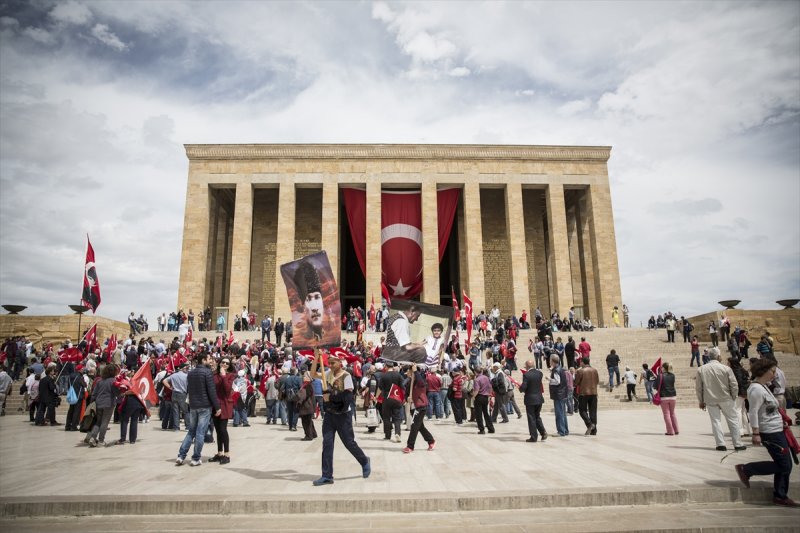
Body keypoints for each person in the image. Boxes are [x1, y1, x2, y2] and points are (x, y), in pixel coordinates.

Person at [735, 358, 797, 507]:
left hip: (777, 429)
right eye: (773, 371)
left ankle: (780, 495)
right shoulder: (756, 389)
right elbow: (753, 411)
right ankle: (746, 469)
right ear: (764, 371)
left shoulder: (763, 387)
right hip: (770, 432)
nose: (775, 374)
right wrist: (756, 433)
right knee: (784, 465)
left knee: (786, 464)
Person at [311, 352, 370, 486]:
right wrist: (316, 358)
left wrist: (330, 397)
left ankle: (364, 461)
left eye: (333, 363)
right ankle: (327, 475)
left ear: (340, 362)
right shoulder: (327, 374)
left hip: (343, 415)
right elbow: (313, 374)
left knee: (349, 443)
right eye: (329, 363)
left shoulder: (346, 376)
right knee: (327, 444)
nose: (330, 365)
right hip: (329, 415)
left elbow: (347, 397)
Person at [695, 347, 745, 452]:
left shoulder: (701, 369)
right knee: (733, 420)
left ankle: (720, 444)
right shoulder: (726, 369)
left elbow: (699, 387)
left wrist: (701, 401)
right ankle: (738, 444)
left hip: (710, 399)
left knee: (715, 421)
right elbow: (734, 384)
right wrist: (734, 396)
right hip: (726, 398)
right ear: (718, 356)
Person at [175, 352, 221, 466]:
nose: (211, 361)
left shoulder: (190, 373)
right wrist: (217, 407)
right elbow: (211, 391)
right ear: (203, 360)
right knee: (200, 433)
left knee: (191, 431)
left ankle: (181, 456)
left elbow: (188, 389)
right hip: (204, 406)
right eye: (209, 359)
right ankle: (195, 458)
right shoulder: (207, 372)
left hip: (193, 405)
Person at [403, 365, 436, 453]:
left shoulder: (420, 380)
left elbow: (421, 383)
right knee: (420, 426)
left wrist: (415, 371)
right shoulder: (409, 382)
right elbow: (406, 394)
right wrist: (407, 398)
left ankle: (410, 446)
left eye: (409, 371)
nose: (407, 372)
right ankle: (431, 441)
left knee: (414, 426)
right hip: (412, 407)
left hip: (420, 406)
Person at [86, 364, 120, 446]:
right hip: (108, 404)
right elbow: (116, 393)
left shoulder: (99, 381)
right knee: (105, 422)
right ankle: (101, 441)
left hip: (99, 403)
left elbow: (94, 393)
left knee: (98, 422)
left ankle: (92, 438)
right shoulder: (113, 381)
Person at [210, 357, 234, 464]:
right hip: (215, 405)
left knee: (223, 429)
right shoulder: (214, 375)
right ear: (219, 363)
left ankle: (227, 454)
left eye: (227, 363)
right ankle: (220, 453)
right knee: (218, 430)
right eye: (223, 362)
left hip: (224, 405)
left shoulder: (230, 375)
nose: (224, 364)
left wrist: (224, 375)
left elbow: (227, 389)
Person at [294, 261, 325, 342]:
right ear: (303, 307)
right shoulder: (301, 340)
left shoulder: (332, 337)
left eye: (317, 297)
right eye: (309, 299)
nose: (314, 308)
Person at [519, 359, 547, 442]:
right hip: (539, 398)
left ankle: (533, 437)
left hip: (530, 399)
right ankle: (543, 432)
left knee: (531, 417)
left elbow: (524, 387)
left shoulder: (526, 375)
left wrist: (520, 388)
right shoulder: (540, 373)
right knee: (537, 416)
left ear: (527, 366)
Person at [379, 363, 405, 442]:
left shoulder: (383, 376)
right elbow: (402, 387)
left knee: (386, 417)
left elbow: (380, 388)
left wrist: (376, 397)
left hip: (387, 398)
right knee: (397, 417)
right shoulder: (398, 375)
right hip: (396, 397)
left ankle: (387, 435)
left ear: (386, 367)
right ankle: (397, 433)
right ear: (393, 367)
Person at [575, 357, 599, 436]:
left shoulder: (580, 371)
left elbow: (576, 382)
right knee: (593, 411)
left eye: (580, 362)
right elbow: (597, 381)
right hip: (594, 392)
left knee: (582, 410)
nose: (580, 363)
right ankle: (594, 430)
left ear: (582, 362)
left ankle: (589, 424)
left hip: (584, 393)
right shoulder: (595, 370)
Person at [163, 362, 189, 431]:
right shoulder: (186, 376)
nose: (186, 369)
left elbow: (164, 381)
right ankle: (188, 426)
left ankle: (176, 427)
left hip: (174, 393)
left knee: (176, 411)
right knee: (185, 411)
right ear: (183, 368)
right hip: (182, 394)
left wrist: (170, 387)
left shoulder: (173, 375)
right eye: (186, 368)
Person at [548, 354, 569, 437]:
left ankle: (561, 431)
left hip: (558, 394)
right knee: (563, 413)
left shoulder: (556, 370)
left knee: (559, 413)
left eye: (550, 360)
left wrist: (549, 379)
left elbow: (557, 381)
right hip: (563, 393)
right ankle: (565, 430)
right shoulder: (560, 368)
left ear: (553, 361)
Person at [655, 362, 679, 435]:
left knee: (666, 414)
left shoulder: (660, 376)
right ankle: (676, 430)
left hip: (664, 397)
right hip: (673, 396)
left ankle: (670, 431)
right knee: (672, 413)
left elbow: (656, 386)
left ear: (663, 368)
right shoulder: (673, 375)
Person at [729, 357, 750, 437]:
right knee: (743, 411)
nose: (727, 364)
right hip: (744, 393)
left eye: (728, 362)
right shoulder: (743, 370)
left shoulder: (735, 371)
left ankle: (740, 431)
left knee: (737, 410)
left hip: (739, 393)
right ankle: (746, 430)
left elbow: (738, 383)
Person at [472, 366, 495, 435]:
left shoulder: (477, 380)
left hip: (479, 397)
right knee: (486, 413)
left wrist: (473, 396)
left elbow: (476, 390)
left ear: (475, 372)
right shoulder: (486, 378)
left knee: (478, 414)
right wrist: (489, 395)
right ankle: (491, 428)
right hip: (485, 397)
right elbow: (490, 387)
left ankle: (481, 429)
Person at [297, 371, 318, 441]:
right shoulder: (307, 384)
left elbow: (305, 395)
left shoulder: (308, 385)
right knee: (309, 421)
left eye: (305, 376)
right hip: (309, 405)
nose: (303, 377)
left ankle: (308, 436)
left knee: (306, 422)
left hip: (307, 406)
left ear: (309, 377)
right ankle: (313, 434)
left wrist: (299, 399)